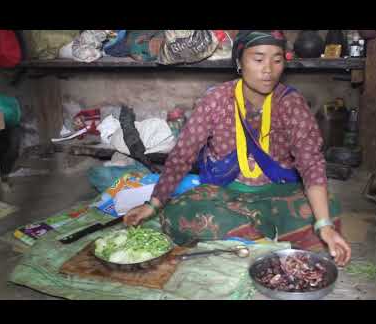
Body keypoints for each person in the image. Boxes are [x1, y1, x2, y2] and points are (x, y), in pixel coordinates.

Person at [124, 30, 351, 267]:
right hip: (225, 194)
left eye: (277, 59)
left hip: (278, 193)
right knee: (179, 212)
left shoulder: (291, 102)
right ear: (239, 62)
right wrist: (153, 203)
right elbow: (183, 154)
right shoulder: (216, 99)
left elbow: (311, 161)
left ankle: (246, 237)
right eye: (258, 59)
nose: (268, 70)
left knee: (329, 207)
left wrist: (324, 224)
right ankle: (270, 237)